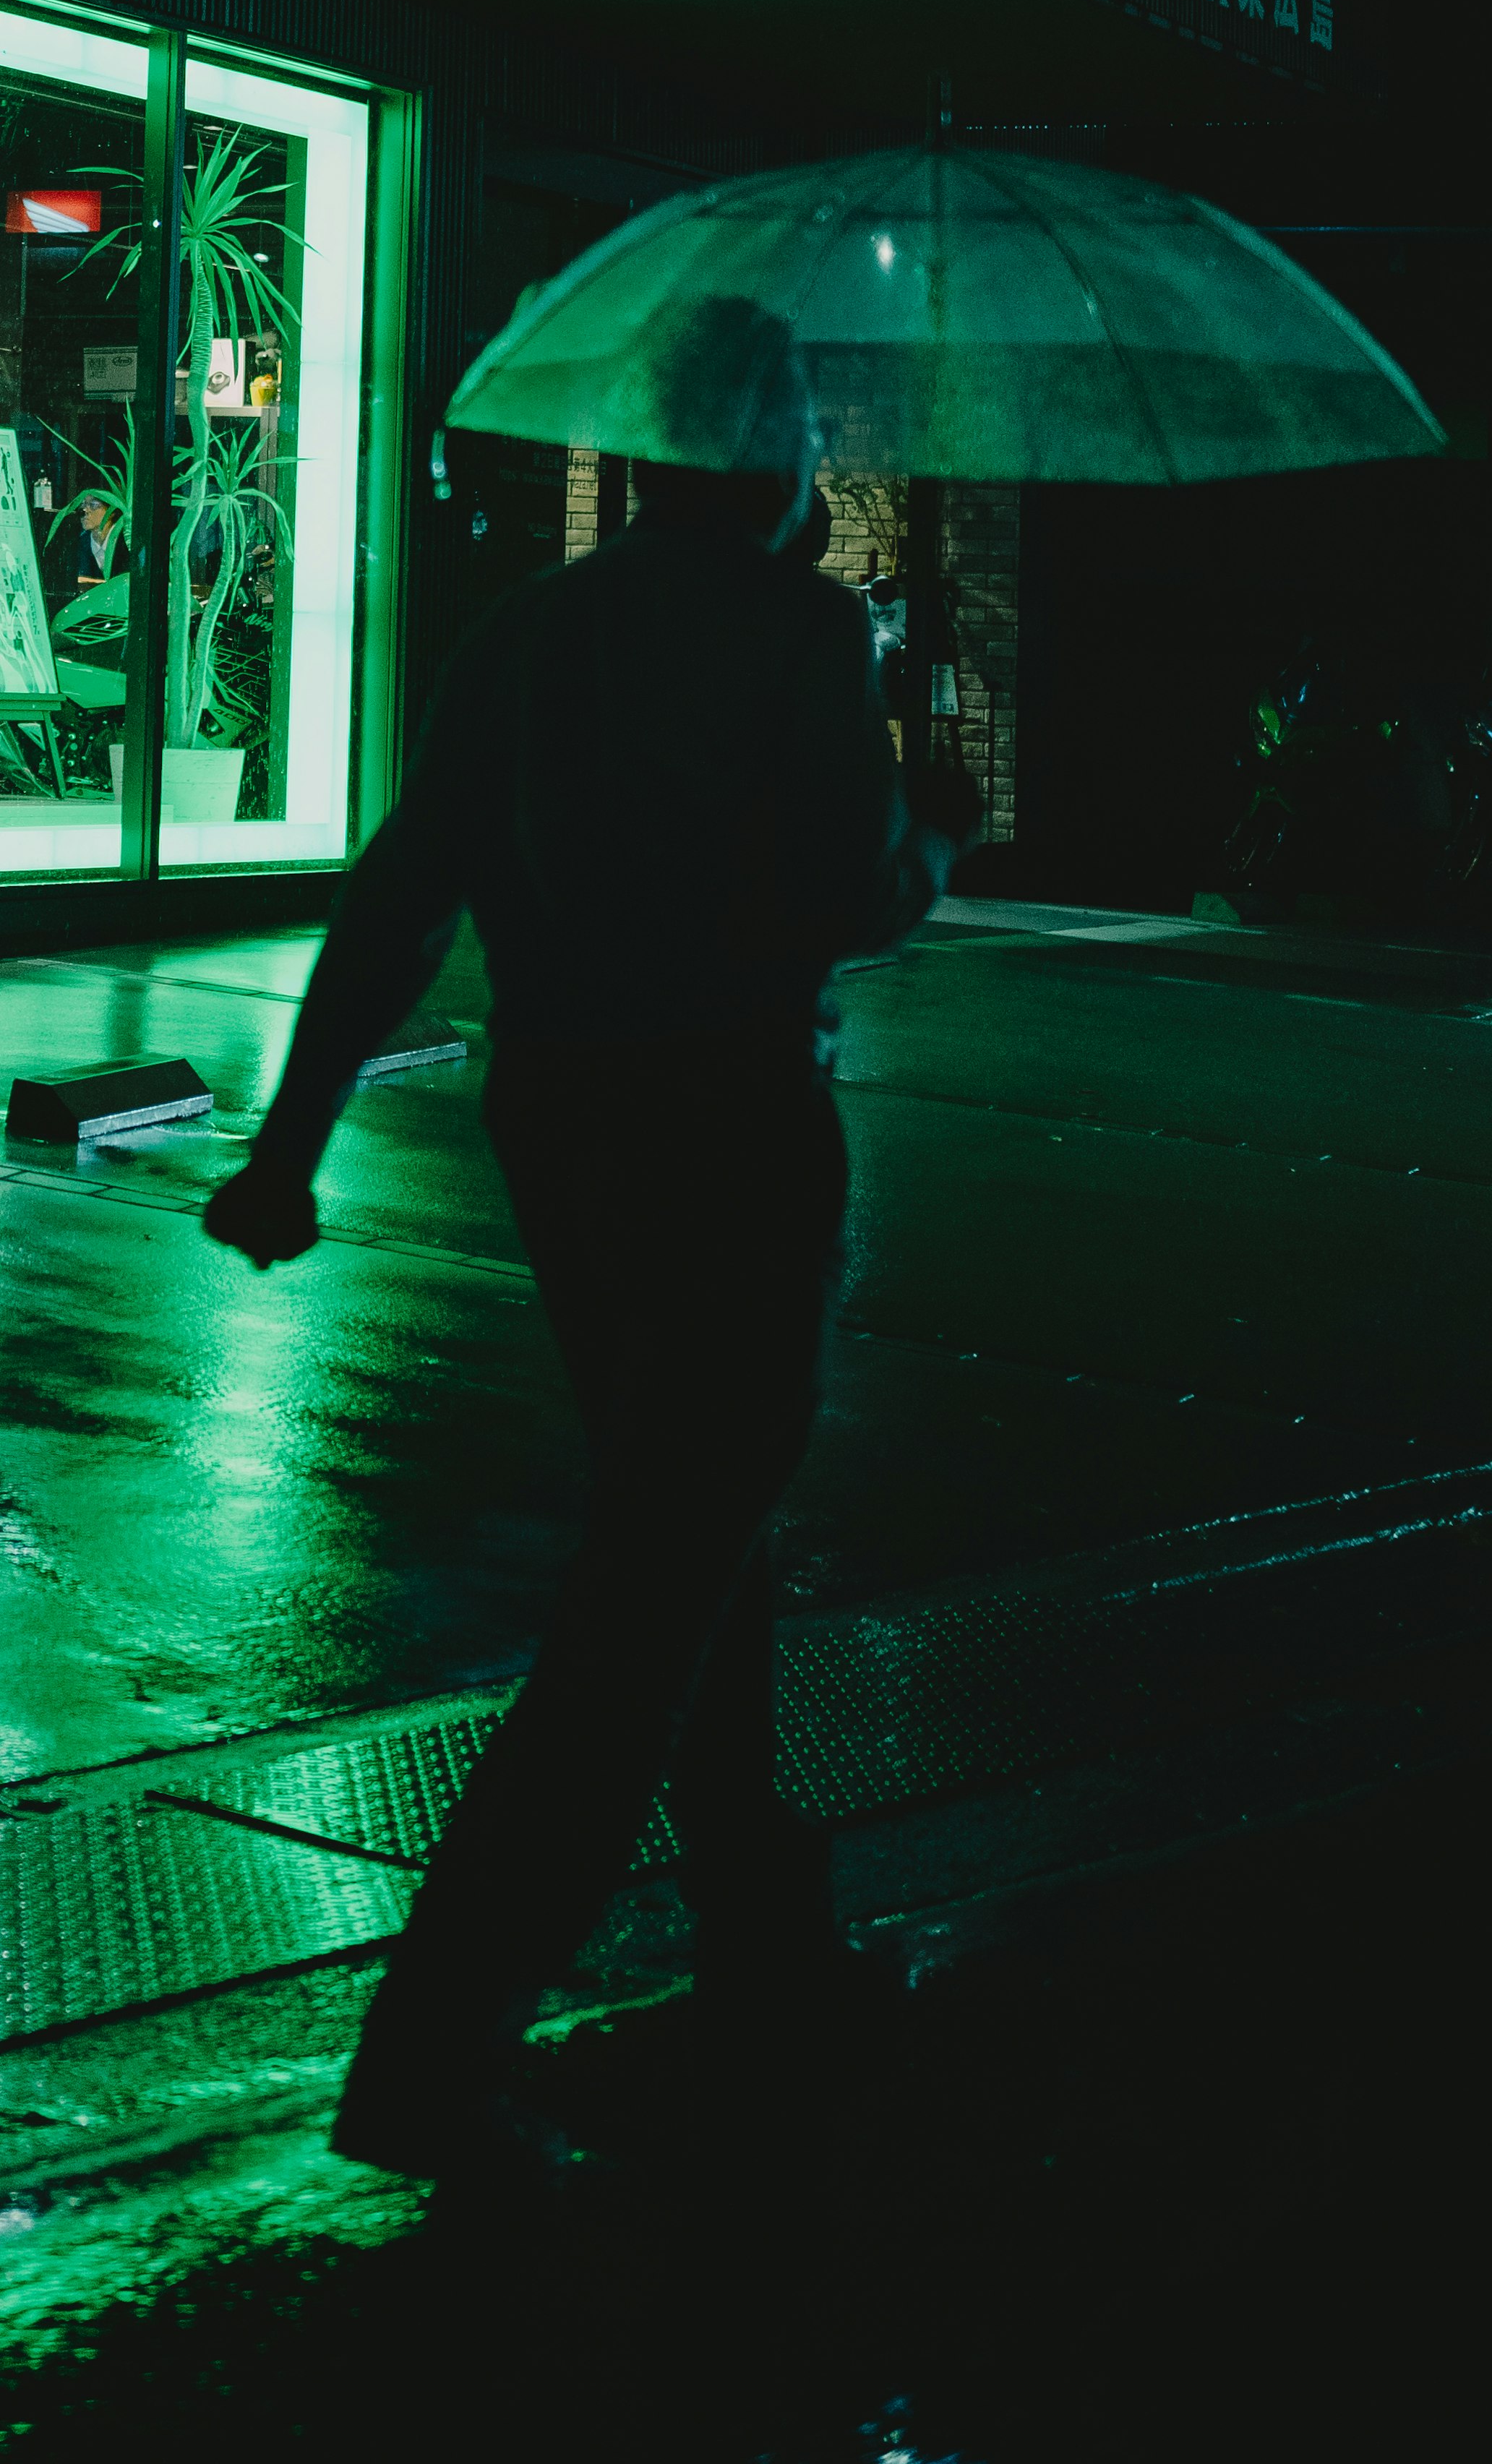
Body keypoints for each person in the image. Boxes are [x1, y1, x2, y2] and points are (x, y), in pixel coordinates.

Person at [202, 300, 980, 2174]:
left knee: (685, 1518)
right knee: (651, 1589)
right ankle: (433, 2051)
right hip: (732, 1125)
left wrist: (291, 1145)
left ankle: (765, 1938)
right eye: (805, 431)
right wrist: (929, 810)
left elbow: (401, 898)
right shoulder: (804, 632)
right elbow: (847, 897)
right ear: (776, 457)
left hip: (564, 1126)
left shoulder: (531, 635)